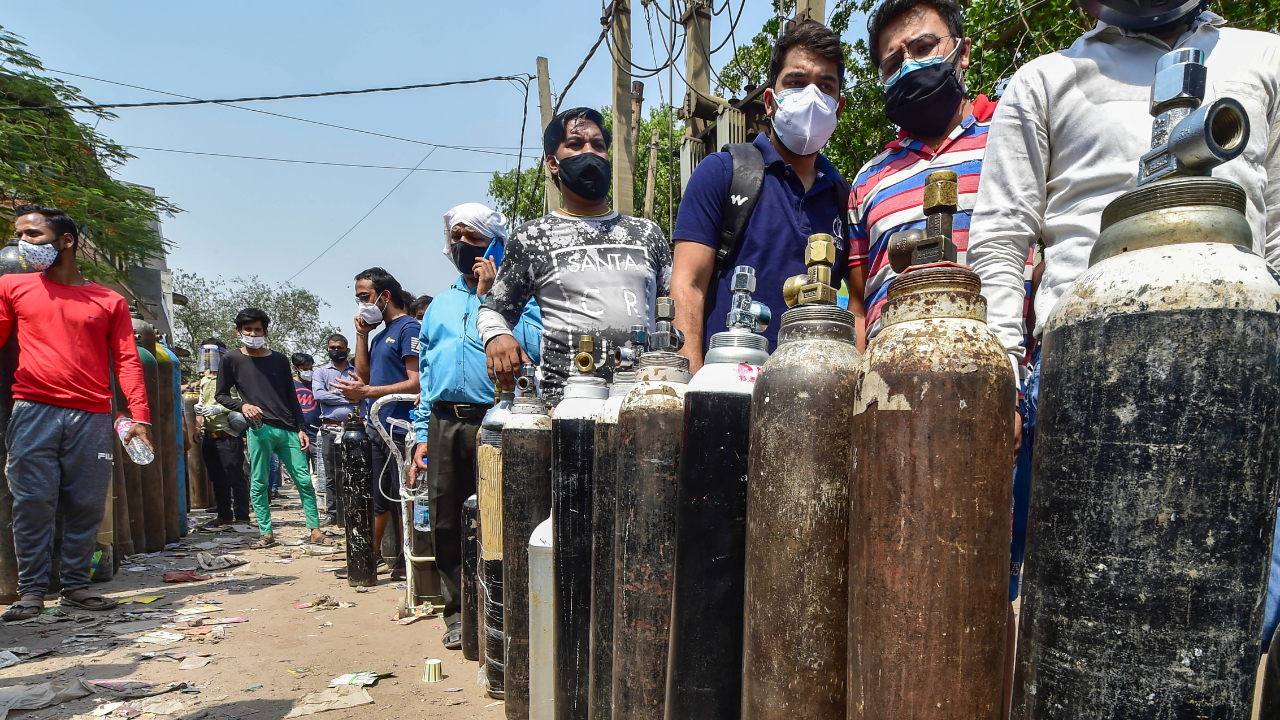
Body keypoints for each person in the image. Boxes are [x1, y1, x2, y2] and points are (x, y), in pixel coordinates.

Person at [671, 21, 858, 366]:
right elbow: (688, 284)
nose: (812, 96)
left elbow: (858, 305)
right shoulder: (723, 172)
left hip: (812, 392)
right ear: (770, 101)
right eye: (797, 83)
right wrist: (696, 394)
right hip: (731, 388)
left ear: (838, 108)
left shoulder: (844, 197)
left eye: (825, 86)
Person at [0, 204, 153, 621]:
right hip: (33, 411)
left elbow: (127, 361)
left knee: (85, 505)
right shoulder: (14, 289)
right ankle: (31, 592)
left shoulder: (109, 300)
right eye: (20, 235)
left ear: (66, 241)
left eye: (32, 234)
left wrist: (139, 418)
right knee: (32, 502)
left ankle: (75, 587)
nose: (22, 244)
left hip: (92, 415)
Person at [849, 0, 1029, 342]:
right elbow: (858, 308)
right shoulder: (867, 180)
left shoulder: (1013, 137)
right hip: (890, 382)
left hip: (998, 370)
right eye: (893, 63)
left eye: (923, 48)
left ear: (962, 51)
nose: (910, 66)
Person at [410, 202, 542, 649]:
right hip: (445, 422)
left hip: (499, 418)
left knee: (502, 514)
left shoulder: (522, 300)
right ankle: (457, 613)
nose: (463, 246)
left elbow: (532, 351)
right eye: (457, 239)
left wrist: (492, 300)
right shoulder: (439, 304)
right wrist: (420, 431)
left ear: (496, 244)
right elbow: (427, 375)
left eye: (474, 239)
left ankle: (503, 610)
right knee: (447, 519)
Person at [479, 107, 672, 401]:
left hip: (644, 398)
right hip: (566, 406)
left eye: (598, 145)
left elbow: (678, 309)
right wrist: (498, 336)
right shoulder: (533, 237)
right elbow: (493, 311)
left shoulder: (647, 234)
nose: (590, 152)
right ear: (553, 164)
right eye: (575, 144)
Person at [333, 268, 421, 581]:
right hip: (377, 427)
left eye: (364, 298)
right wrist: (360, 335)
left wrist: (368, 392)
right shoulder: (381, 333)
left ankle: (409, 561)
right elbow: (366, 376)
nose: (361, 305)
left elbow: (415, 382)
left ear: (384, 296)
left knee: (404, 496)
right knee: (379, 496)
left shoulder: (409, 328)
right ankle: (366, 558)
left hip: (400, 427)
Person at [214, 308, 326, 548]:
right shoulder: (231, 359)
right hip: (259, 428)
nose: (253, 333)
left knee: (304, 480)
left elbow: (291, 396)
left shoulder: (279, 359)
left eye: (257, 329)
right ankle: (266, 533)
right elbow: (221, 395)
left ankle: (315, 530)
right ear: (238, 331)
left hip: (287, 429)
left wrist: (301, 427)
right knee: (259, 482)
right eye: (248, 329)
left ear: (265, 331)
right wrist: (243, 406)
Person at [194, 338, 251, 528]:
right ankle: (224, 514)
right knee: (216, 478)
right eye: (206, 354)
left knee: (234, 475)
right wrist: (198, 422)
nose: (209, 358)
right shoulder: (205, 379)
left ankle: (242, 515)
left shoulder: (231, 377)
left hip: (227, 434)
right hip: (209, 435)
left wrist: (220, 409)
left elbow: (240, 403)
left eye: (213, 354)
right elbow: (203, 403)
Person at [312, 333, 356, 526]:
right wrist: (347, 397)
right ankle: (332, 513)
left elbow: (362, 396)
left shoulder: (357, 371)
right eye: (332, 348)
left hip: (354, 429)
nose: (336, 351)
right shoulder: (321, 372)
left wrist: (333, 393)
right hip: (330, 429)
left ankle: (352, 511)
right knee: (331, 474)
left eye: (340, 348)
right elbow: (318, 395)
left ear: (347, 350)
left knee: (353, 472)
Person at [292, 352, 321, 489]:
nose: (308, 371)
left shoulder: (317, 384)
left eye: (310, 368)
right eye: (304, 369)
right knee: (301, 475)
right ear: (295, 368)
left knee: (321, 474)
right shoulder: (290, 385)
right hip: (296, 436)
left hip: (317, 434)